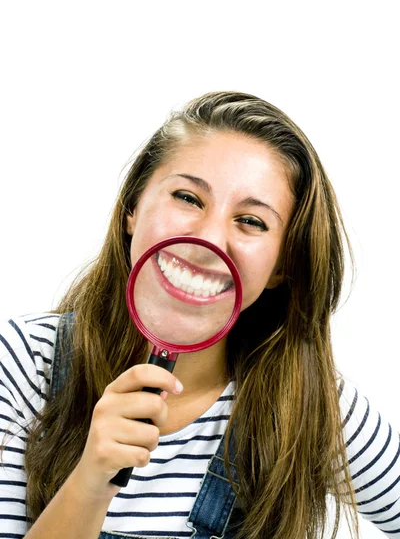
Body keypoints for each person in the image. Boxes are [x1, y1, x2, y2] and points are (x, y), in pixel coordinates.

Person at [0, 91, 399, 539]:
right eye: (188, 197)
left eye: (251, 221)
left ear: (281, 266)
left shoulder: (311, 402)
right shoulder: (23, 365)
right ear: (132, 208)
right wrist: (92, 482)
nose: (208, 239)